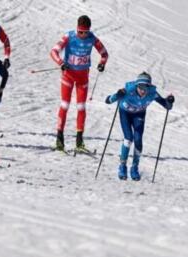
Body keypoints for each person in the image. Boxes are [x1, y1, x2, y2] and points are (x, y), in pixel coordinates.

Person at [50, 14, 109, 153]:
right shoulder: (69, 36)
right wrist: (61, 62)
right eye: (80, 32)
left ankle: (79, 140)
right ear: (76, 29)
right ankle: (59, 139)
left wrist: (102, 64)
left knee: (81, 107)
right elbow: (53, 51)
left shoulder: (92, 38)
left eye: (85, 32)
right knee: (65, 105)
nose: (82, 35)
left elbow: (104, 54)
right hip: (68, 76)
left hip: (83, 77)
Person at [105, 73, 174, 180]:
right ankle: (122, 166)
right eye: (140, 87)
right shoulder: (128, 90)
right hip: (125, 113)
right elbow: (108, 100)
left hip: (139, 114)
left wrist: (169, 101)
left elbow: (166, 106)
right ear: (136, 85)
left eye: (146, 87)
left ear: (149, 87)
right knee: (128, 138)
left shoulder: (152, 93)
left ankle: (134, 168)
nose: (143, 90)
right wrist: (118, 95)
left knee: (138, 140)